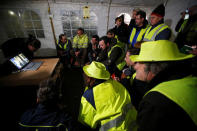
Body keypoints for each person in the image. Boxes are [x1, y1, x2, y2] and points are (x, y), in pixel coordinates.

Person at [129, 40, 197, 130]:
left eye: (138, 62)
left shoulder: (154, 103)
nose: (135, 66)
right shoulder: (190, 79)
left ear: (152, 67)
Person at [78, 61, 136, 130]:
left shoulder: (89, 96)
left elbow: (85, 123)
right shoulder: (116, 84)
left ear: (90, 78)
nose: (83, 76)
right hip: (133, 126)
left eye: (85, 75)